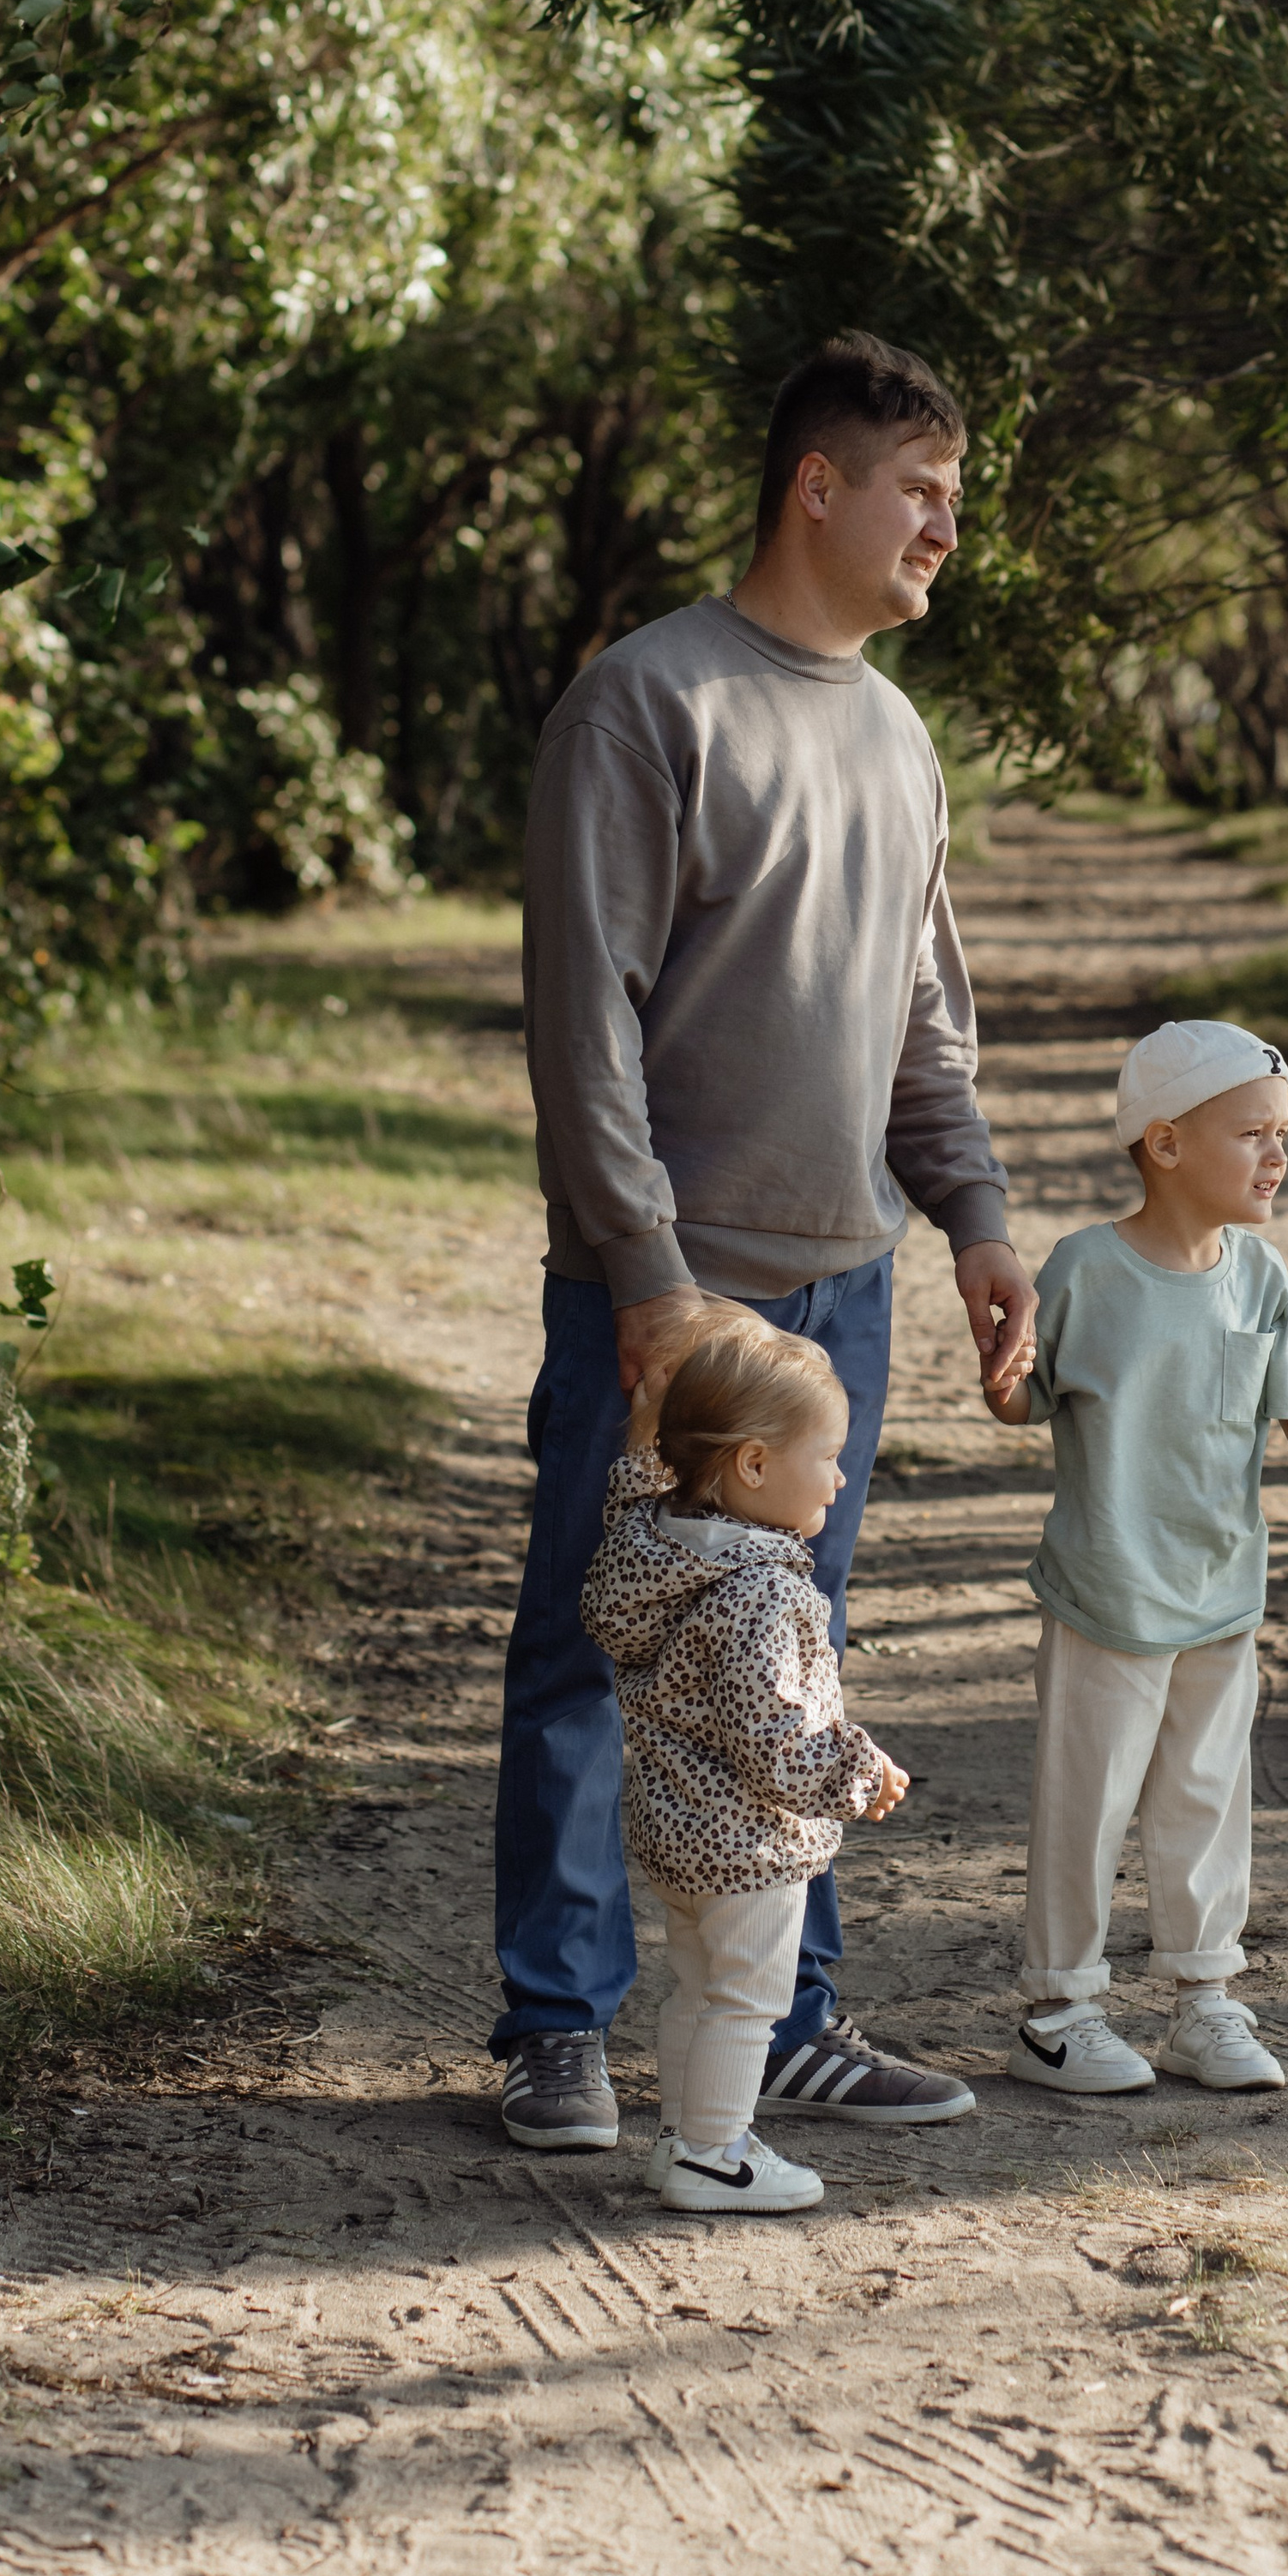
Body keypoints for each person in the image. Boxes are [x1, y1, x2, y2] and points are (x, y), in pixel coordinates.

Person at [494, 328, 1038, 2151]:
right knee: (598, 1647)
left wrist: (969, 1214)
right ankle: (556, 2028)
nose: (943, 532)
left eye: (953, 502)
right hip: (670, 1296)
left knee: (797, 1658)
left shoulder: (893, 734)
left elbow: (919, 1023)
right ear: (817, 484)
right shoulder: (645, 705)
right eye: (921, 494)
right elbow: (585, 1025)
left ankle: (791, 2017)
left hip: (840, 1290)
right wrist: (645, 1276)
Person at [981, 1018, 1288, 2098]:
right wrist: (1003, 1385)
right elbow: (1031, 1395)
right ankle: (1061, 2007)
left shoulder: (1258, 1275)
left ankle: (1202, 1998)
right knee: (1089, 1801)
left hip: (1220, 1595)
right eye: (1252, 1131)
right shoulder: (1084, 1267)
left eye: (1283, 1133)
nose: (1277, 1154)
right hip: (1107, 1595)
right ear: (1164, 1145)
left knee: (1208, 1797)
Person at [581, 1309, 912, 2213]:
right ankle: (716, 2152)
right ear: (754, 1465)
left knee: (699, 1987)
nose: (842, 1477)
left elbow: (639, 1474)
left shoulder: (652, 1539)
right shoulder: (762, 1589)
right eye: (828, 1455)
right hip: (750, 1842)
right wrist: (856, 1772)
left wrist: (656, 1417)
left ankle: (684, 2140)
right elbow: (772, 1737)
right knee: (746, 2002)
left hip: (675, 1832)